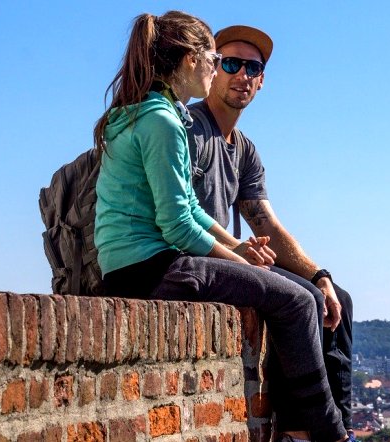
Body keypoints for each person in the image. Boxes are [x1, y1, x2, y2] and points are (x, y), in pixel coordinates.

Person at [92, 11, 346, 442]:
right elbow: (177, 228)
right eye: (216, 58)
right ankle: (329, 434)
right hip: (153, 268)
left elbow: (192, 208)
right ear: (191, 60)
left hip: (143, 264)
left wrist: (239, 251)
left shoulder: (155, 112)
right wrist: (244, 265)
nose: (217, 68)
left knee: (301, 294)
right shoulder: (164, 122)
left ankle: (314, 430)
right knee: (300, 303)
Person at [187, 25, 354, 438]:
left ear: (261, 81)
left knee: (338, 300)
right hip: (198, 258)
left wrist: (321, 274)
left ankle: (333, 426)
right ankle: (299, 429)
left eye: (252, 67)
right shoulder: (187, 130)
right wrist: (241, 251)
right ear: (211, 68)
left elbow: (267, 224)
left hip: (232, 258)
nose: (241, 74)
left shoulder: (243, 150)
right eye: (230, 63)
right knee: (301, 300)